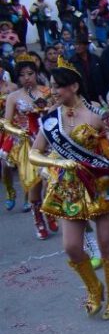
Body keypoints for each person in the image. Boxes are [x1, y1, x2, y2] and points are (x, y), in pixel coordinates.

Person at [29, 56, 109, 319]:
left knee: (105, 244)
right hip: (68, 187)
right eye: (51, 86)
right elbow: (34, 154)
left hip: (100, 184)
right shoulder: (50, 120)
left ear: (74, 87)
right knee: (71, 246)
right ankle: (94, 288)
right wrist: (55, 161)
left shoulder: (97, 114)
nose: (53, 91)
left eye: (58, 86)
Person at [1, 56, 53, 237]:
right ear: (17, 78)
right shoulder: (13, 97)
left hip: (49, 142)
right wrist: (20, 133)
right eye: (22, 75)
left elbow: (57, 114)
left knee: (52, 181)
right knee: (34, 185)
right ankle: (38, 221)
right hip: (28, 145)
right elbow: (6, 123)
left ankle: (51, 210)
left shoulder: (47, 92)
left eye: (30, 73)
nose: (27, 78)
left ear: (36, 74)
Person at [69, 35, 107, 103]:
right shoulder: (71, 62)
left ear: (86, 45)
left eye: (79, 44)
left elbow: (104, 76)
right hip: (83, 97)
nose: (77, 47)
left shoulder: (96, 59)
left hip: (99, 95)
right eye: (75, 44)